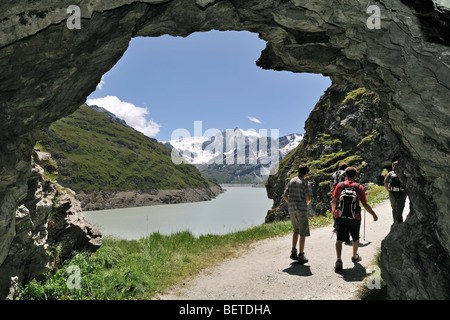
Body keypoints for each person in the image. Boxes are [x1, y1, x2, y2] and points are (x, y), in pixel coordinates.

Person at [331, 166, 378, 271]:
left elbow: (334, 200)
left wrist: (334, 212)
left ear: (345, 175)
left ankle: (338, 259)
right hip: (354, 217)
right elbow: (365, 204)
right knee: (355, 238)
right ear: (355, 175)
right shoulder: (359, 187)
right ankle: (354, 255)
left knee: (339, 239)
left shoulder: (340, 185)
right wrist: (373, 214)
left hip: (340, 216)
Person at [283, 163, 312, 264]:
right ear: (306, 173)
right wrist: (305, 204)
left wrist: (290, 203)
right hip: (301, 209)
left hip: (291, 209)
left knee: (296, 230)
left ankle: (293, 252)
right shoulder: (305, 183)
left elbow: (285, 195)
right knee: (303, 232)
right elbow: (308, 198)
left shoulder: (291, 181)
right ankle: (301, 255)